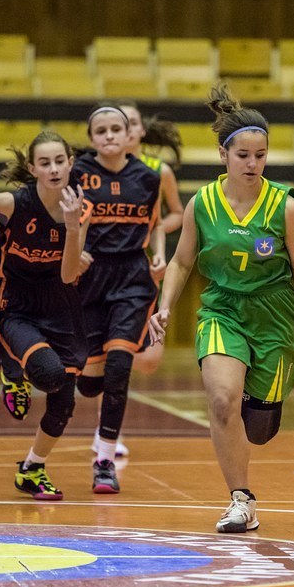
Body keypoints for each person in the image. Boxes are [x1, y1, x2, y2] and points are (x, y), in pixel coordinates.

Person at [149, 84, 294, 533]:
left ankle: (261, 404)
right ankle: (241, 500)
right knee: (220, 400)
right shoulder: (201, 204)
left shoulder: (285, 207)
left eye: (260, 155)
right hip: (223, 310)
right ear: (223, 155)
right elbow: (182, 261)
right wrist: (164, 306)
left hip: (277, 317)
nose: (252, 163)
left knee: (258, 430)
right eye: (243, 155)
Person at [0, 130, 87, 500]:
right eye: (45, 162)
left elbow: (68, 275)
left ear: (70, 164)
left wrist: (73, 227)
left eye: (60, 161)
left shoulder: (80, 208)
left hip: (60, 302)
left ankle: (32, 469)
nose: (53, 169)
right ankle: (13, 374)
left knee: (64, 402)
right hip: (16, 303)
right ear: (32, 168)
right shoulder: (15, 203)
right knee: (48, 373)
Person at [73, 104, 165, 494]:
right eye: (101, 130)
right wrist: (71, 254)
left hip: (132, 278)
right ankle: (86, 375)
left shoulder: (148, 177)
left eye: (116, 129)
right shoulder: (77, 173)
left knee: (119, 366)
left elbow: (156, 223)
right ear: (92, 138)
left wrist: (159, 252)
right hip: (89, 278)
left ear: (129, 135)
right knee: (90, 383)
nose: (109, 136)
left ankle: (105, 460)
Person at [87, 100, 185, 458]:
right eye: (113, 124)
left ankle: (106, 409)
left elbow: (172, 215)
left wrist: (151, 238)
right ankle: (106, 432)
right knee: (115, 352)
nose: (121, 130)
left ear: (138, 131)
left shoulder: (156, 172)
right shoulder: (91, 170)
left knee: (149, 359)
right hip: (98, 272)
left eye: (128, 123)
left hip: (138, 266)